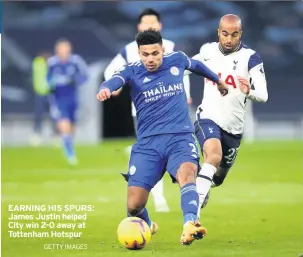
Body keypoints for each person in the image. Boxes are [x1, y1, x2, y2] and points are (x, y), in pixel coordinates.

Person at [97, 29, 228, 245]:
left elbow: (196, 66)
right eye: (145, 54)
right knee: (134, 206)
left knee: (188, 174)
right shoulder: (132, 70)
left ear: (162, 50)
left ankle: (190, 224)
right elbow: (115, 80)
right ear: (139, 53)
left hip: (180, 138)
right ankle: (147, 224)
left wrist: (218, 80)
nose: (150, 59)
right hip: (148, 145)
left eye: (155, 54)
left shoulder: (176, 59)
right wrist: (105, 88)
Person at [104, 8, 192, 213]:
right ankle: (158, 199)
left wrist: (186, 93)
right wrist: (113, 87)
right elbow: (111, 70)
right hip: (144, 116)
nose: (150, 27)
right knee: (152, 158)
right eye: (146, 25)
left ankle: (185, 196)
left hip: (173, 113)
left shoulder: (171, 47)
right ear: (139, 28)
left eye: (153, 24)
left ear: (160, 27)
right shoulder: (129, 51)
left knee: (177, 158)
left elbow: (184, 73)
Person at [186, 14, 268, 217]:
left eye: (234, 35)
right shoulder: (208, 51)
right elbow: (185, 68)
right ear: (218, 33)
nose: (229, 39)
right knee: (213, 156)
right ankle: (191, 217)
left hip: (234, 127)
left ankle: (199, 176)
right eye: (225, 34)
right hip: (208, 117)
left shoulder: (251, 57)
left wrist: (249, 91)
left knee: (217, 178)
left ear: (240, 34)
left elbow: (263, 96)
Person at [47, 38, 88, 165]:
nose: (64, 51)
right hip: (58, 99)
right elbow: (46, 80)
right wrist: (51, 85)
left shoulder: (76, 61)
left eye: (66, 48)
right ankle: (70, 153)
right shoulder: (52, 63)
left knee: (72, 127)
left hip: (73, 99)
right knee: (64, 123)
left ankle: (68, 145)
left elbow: (85, 76)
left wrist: (75, 80)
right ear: (57, 50)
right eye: (61, 49)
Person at [30, 51, 58, 146]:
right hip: (40, 93)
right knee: (39, 114)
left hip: (50, 93)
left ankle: (55, 135)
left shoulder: (51, 65)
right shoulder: (38, 63)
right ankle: (37, 134)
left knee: (53, 115)